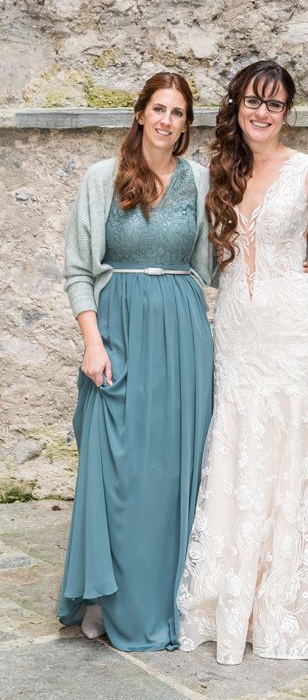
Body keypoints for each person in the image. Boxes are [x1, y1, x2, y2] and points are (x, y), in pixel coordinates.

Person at [177, 60, 308, 665]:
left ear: (287, 112)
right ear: (238, 106)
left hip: (292, 328)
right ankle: (228, 588)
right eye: (252, 101)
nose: (261, 113)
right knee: (238, 444)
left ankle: (287, 593)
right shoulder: (219, 169)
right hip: (237, 333)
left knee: (293, 446)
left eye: (273, 104)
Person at [57, 72, 214, 652]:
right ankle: (107, 595)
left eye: (178, 113)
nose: (168, 121)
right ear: (141, 115)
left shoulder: (199, 180)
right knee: (116, 468)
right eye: (159, 109)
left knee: (172, 471)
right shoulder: (103, 179)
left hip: (183, 331)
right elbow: (78, 268)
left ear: (185, 124)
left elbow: (213, 264)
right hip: (117, 328)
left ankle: (161, 598)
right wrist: (92, 342)